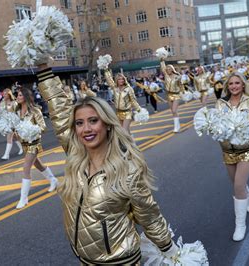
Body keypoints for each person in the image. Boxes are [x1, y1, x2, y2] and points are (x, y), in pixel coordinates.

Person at [34, 64, 179, 264]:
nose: (86, 129)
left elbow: (149, 215)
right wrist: (43, 69)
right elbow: (59, 112)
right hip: (85, 258)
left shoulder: (128, 168)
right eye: (79, 123)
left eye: (93, 121)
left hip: (120, 261)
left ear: (107, 124)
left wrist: (171, 251)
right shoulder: (77, 156)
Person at [215, 73, 249, 241]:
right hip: (228, 151)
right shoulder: (220, 103)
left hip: (247, 150)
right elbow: (216, 124)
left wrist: (248, 128)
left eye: (237, 83)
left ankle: (240, 225)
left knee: (238, 185)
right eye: (230, 83)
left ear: (243, 84)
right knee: (238, 184)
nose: (234, 86)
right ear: (227, 86)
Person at [14, 87, 58, 209]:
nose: (17, 97)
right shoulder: (16, 110)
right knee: (37, 164)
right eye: (17, 95)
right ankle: (53, 180)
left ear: (26, 98)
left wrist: (31, 130)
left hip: (34, 142)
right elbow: (15, 125)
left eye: (20, 95)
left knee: (26, 168)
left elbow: (43, 127)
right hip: (24, 143)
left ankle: (23, 198)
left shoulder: (35, 111)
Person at [104, 67, 142, 134]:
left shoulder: (128, 89)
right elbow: (109, 80)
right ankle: (131, 143)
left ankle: (127, 143)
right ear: (116, 80)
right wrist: (106, 70)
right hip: (118, 113)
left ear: (124, 80)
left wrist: (139, 109)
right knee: (123, 131)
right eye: (119, 79)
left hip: (127, 113)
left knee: (124, 131)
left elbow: (133, 100)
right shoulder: (115, 88)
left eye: (122, 79)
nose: (121, 80)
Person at [0, 88, 23, 160]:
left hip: (13, 122)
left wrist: (20, 121)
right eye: (3, 94)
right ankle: (22, 148)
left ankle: (6, 155)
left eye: (5, 94)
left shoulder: (14, 102)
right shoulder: (3, 102)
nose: (4, 95)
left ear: (9, 95)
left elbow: (18, 112)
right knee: (15, 137)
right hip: (6, 121)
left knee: (9, 137)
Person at [160, 58, 185, 133]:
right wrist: (162, 61)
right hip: (169, 95)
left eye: (170, 69)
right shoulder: (166, 76)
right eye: (167, 69)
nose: (168, 70)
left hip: (176, 95)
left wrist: (183, 92)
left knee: (174, 110)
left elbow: (181, 85)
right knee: (173, 111)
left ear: (172, 69)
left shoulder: (177, 76)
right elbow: (162, 68)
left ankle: (177, 126)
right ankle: (177, 126)